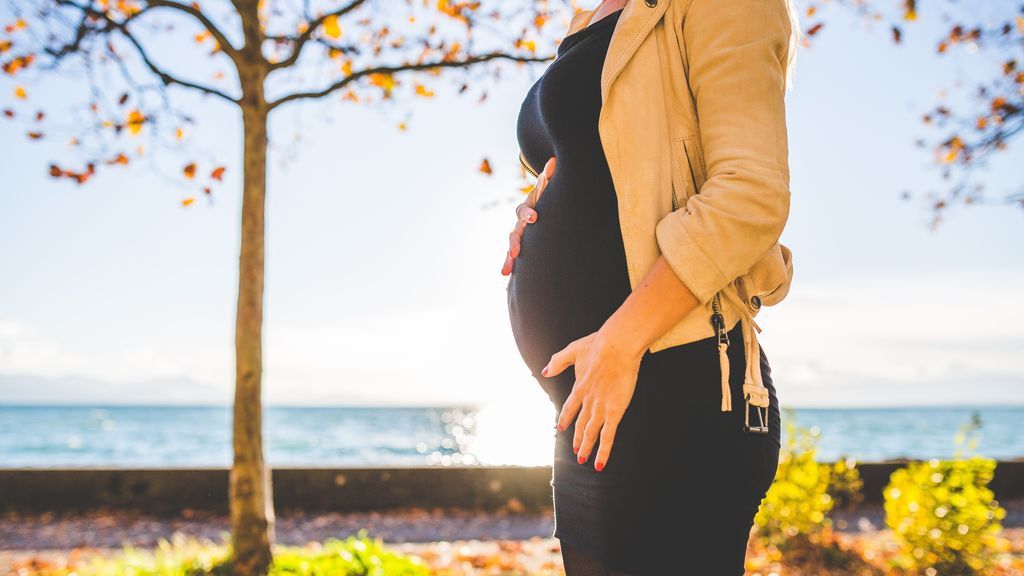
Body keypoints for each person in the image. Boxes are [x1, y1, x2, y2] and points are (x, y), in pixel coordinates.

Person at [501, 0, 801, 574]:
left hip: (674, 386)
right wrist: (533, 210)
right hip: (590, 399)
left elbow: (751, 194)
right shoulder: (590, 21)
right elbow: (597, 169)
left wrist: (620, 341)